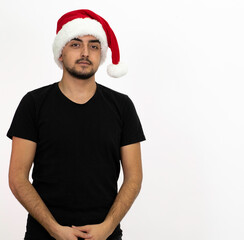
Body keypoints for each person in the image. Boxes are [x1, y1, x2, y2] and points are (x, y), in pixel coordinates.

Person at [6, 9, 146, 240]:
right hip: (44, 234)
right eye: (75, 44)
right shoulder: (34, 103)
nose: (85, 52)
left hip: (105, 235)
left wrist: (107, 227)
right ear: (60, 53)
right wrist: (54, 229)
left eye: (93, 45)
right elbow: (17, 177)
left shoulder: (122, 106)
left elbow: (134, 178)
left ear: (101, 54)